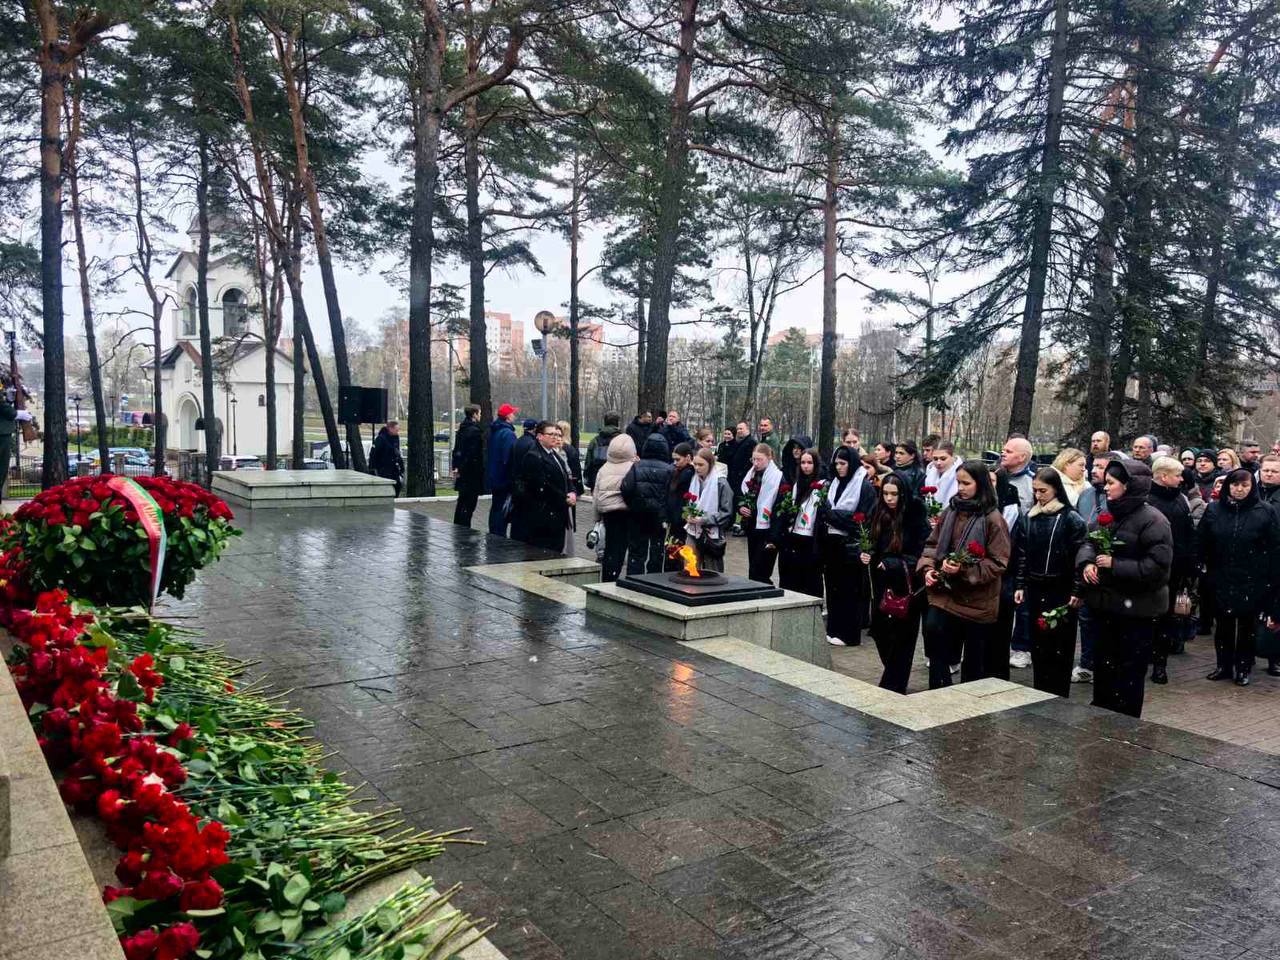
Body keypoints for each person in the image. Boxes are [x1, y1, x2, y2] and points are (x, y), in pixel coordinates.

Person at [1077, 460, 1172, 718]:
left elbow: (1157, 568)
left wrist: (1115, 565)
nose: (1105, 487)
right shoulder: (1108, 514)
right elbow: (1088, 541)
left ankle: (1126, 722)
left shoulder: (1154, 521)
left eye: (1111, 483)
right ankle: (1102, 713)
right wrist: (1087, 563)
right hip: (1106, 607)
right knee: (1104, 666)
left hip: (1136, 612)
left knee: (1129, 671)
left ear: (1128, 486)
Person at [919, 460, 1011, 688]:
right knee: (934, 636)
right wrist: (928, 569)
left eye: (966, 483)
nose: (960, 488)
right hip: (945, 593)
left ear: (980, 484)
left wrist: (964, 569)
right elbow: (932, 545)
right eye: (958, 482)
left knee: (974, 662)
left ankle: (968, 699)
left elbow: (998, 562)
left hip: (976, 600)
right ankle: (938, 691)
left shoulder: (993, 519)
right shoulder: (951, 510)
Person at [1199, 468, 1280, 686]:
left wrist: (1270, 576)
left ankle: (1243, 667)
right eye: (1235, 485)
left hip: (1252, 578)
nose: (1239, 489)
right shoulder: (1214, 509)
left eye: (1245, 485)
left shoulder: (1265, 511)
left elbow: (1274, 546)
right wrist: (1202, 566)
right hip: (1221, 575)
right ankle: (1223, 665)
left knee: (1247, 626)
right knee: (1223, 624)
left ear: (1252, 487)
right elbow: (1203, 539)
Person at [1013, 468, 1087, 698]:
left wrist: (1077, 589)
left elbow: (1080, 557)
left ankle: (1058, 691)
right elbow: (1022, 554)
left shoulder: (1071, 518)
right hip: (1036, 586)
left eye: (1043, 491)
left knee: (1060, 644)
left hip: (1061, 588)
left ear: (1056, 489)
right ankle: (1041, 688)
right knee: (1039, 642)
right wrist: (1020, 584)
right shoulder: (1030, 517)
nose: (1038, 495)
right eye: (1035, 491)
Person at [863, 473, 929, 692]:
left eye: (894, 494)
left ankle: (893, 684)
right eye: (885, 493)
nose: (889, 498)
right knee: (880, 632)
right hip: (881, 582)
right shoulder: (878, 511)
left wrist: (892, 564)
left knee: (902, 637)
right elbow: (868, 540)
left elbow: (922, 551)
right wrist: (865, 552)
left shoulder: (915, 513)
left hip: (906, 583)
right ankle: (893, 679)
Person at [820, 446, 877, 646]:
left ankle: (848, 634)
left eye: (843, 463)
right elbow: (824, 511)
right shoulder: (834, 484)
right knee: (833, 589)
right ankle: (834, 629)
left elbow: (862, 519)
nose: (839, 467)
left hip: (851, 546)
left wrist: (834, 516)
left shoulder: (864, 486)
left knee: (849, 591)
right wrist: (835, 516)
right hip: (832, 544)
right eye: (836, 463)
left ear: (851, 464)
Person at [1147, 456, 1196, 684]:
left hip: (1174, 569)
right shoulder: (1147, 500)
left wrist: (1189, 567)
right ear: (1164, 477)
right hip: (1150, 569)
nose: (1181, 479)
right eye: (1177, 475)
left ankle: (1160, 663)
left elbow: (1187, 535)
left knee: (1166, 618)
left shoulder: (1181, 500)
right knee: (1149, 617)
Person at [512, 421, 576, 554]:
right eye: (551, 434)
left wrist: (572, 491)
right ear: (540, 436)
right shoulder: (534, 456)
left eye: (556, 434)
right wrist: (565, 498)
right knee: (543, 553)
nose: (555, 437)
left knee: (556, 550)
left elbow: (565, 476)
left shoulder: (554, 454)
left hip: (557, 514)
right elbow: (542, 485)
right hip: (544, 517)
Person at [775, 449, 825, 597]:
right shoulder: (797, 483)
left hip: (811, 538)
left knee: (810, 579)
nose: (806, 466)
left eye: (809, 463)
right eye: (803, 462)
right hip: (795, 535)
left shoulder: (822, 484)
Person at [621, 432, 673, 575]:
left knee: (636, 551)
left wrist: (633, 504)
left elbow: (626, 488)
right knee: (657, 549)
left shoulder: (636, 467)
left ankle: (634, 578)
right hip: (659, 516)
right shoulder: (669, 470)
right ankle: (653, 579)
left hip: (638, 514)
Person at [592, 434, 637, 582]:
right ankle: (628, 578)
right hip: (628, 511)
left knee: (611, 546)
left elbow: (596, 494)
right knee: (628, 546)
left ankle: (608, 577)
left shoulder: (604, 468)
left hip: (609, 512)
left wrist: (596, 517)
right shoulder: (633, 467)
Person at [739, 443, 783, 583]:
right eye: (753, 459)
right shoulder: (751, 475)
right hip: (753, 528)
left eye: (759, 459)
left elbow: (779, 509)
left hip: (768, 529)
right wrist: (741, 507)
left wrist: (773, 538)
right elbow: (743, 497)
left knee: (762, 571)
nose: (755, 463)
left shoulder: (777, 478)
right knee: (753, 568)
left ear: (769, 458)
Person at [683, 448, 733, 573]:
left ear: (710, 464)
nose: (697, 468)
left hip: (712, 533)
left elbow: (726, 513)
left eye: (701, 465)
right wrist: (688, 515)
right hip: (693, 530)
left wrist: (705, 520)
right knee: (690, 567)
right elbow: (690, 502)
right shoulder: (694, 480)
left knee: (712, 571)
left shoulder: (721, 483)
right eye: (695, 464)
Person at [485, 404, 519, 536]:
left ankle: (494, 532)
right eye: (513, 413)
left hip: (494, 475)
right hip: (504, 477)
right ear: (508, 416)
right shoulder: (508, 434)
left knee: (496, 506)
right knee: (502, 508)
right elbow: (509, 457)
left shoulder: (494, 431)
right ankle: (499, 535)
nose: (514, 415)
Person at [507, 419, 541, 542]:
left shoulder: (517, 441)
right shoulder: (532, 444)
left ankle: (515, 536)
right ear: (534, 429)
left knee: (517, 512)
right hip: (525, 484)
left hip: (516, 482)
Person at [450, 405, 483, 526]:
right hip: (471, 473)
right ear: (474, 414)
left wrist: (456, 467)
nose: (480, 415)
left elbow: (457, 450)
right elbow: (472, 453)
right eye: (479, 413)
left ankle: (458, 525)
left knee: (462, 502)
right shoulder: (474, 431)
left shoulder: (462, 428)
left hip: (462, 472)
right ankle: (465, 527)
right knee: (469, 503)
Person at [665, 442, 696, 569]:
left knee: (677, 552)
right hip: (675, 518)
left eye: (678, 459)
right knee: (673, 551)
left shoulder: (689, 474)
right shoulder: (677, 472)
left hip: (682, 519)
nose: (675, 463)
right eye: (674, 460)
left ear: (688, 457)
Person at [585, 413, 622, 490]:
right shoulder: (623, 441)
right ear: (617, 423)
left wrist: (589, 482)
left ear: (605, 423)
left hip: (597, 481)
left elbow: (588, 463)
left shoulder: (594, 441)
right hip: (618, 482)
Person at [368, 420, 405, 497]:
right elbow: (373, 454)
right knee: (386, 486)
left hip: (393, 467)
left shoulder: (395, 438)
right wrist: (372, 468)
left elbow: (397, 452)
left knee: (397, 485)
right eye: (396, 430)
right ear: (390, 429)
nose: (397, 432)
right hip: (383, 468)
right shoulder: (381, 438)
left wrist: (401, 466)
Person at [926, 442, 960, 516]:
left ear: (952, 456)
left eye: (943, 459)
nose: (938, 463)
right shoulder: (930, 472)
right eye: (935, 459)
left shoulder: (961, 473)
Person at [1052, 447, 1090, 512]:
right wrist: (1079, 491)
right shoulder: (1052, 482)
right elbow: (1067, 505)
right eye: (1081, 465)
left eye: (1084, 466)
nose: (1084, 469)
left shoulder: (1085, 484)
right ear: (1066, 465)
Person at [726, 422, 755, 502]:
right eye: (738, 429)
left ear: (747, 429)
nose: (739, 431)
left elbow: (750, 462)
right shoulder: (740, 442)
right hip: (735, 478)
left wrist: (741, 474)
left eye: (741, 429)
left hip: (742, 479)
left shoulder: (751, 442)